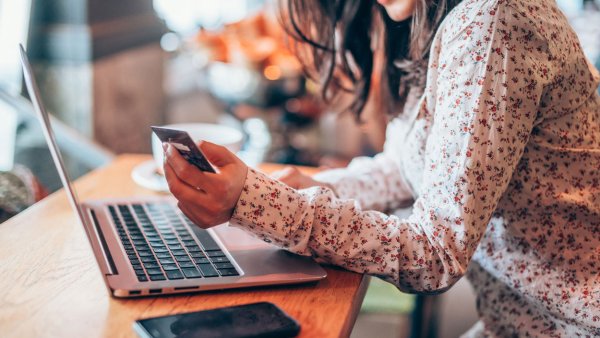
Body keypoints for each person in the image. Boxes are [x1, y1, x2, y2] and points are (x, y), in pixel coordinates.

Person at [163, 0, 600, 336]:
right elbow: (410, 167)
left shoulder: (491, 24)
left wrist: (259, 206)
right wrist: (298, 191)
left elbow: (435, 253)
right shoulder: (442, 18)